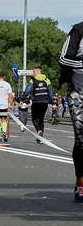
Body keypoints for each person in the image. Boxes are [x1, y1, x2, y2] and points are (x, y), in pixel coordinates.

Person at [59, 21, 83, 202]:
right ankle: (81, 184)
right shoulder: (78, 30)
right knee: (81, 140)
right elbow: (64, 59)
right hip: (78, 93)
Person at [24, 66, 56, 144]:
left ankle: (39, 130)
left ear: (38, 71)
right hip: (44, 102)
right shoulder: (47, 80)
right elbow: (50, 93)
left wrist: (23, 98)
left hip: (36, 102)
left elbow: (27, 91)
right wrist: (53, 103)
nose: (33, 73)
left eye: (34, 72)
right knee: (41, 119)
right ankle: (40, 138)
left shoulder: (33, 80)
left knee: (34, 118)